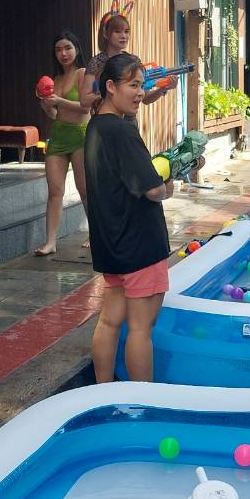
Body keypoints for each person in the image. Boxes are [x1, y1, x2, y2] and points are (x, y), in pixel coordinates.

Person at [85, 52, 175, 383]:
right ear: (110, 86)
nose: (140, 93)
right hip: (140, 244)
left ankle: (103, 390)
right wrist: (169, 183)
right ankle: (141, 401)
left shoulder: (96, 126)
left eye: (142, 85)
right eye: (133, 85)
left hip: (112, 243)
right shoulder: (122, 130)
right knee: (140, 329)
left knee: (109, 321)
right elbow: (153, 189)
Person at [35, 30, 89, 257]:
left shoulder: (83, 74)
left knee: (84, 189)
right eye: (58, 50)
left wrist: (59, 100)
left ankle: (96, 233)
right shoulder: (55, 79)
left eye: (67, 48)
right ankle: (50, 242)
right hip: (58, 135)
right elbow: (55, 115)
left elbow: (85, 107)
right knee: (55, 190)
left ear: (76, 49)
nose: (63, 53)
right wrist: (46, 105)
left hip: (80, 135)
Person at [81, 4, 173, 113]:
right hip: (103, 117)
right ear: (105, 33)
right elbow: (84, 100)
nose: (123, 36)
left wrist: (163, 88)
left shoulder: (134, 60)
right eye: (117, 31)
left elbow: (145, 98)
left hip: (129, 120)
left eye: (126, 31)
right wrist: (109, 94)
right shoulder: (96, 62)